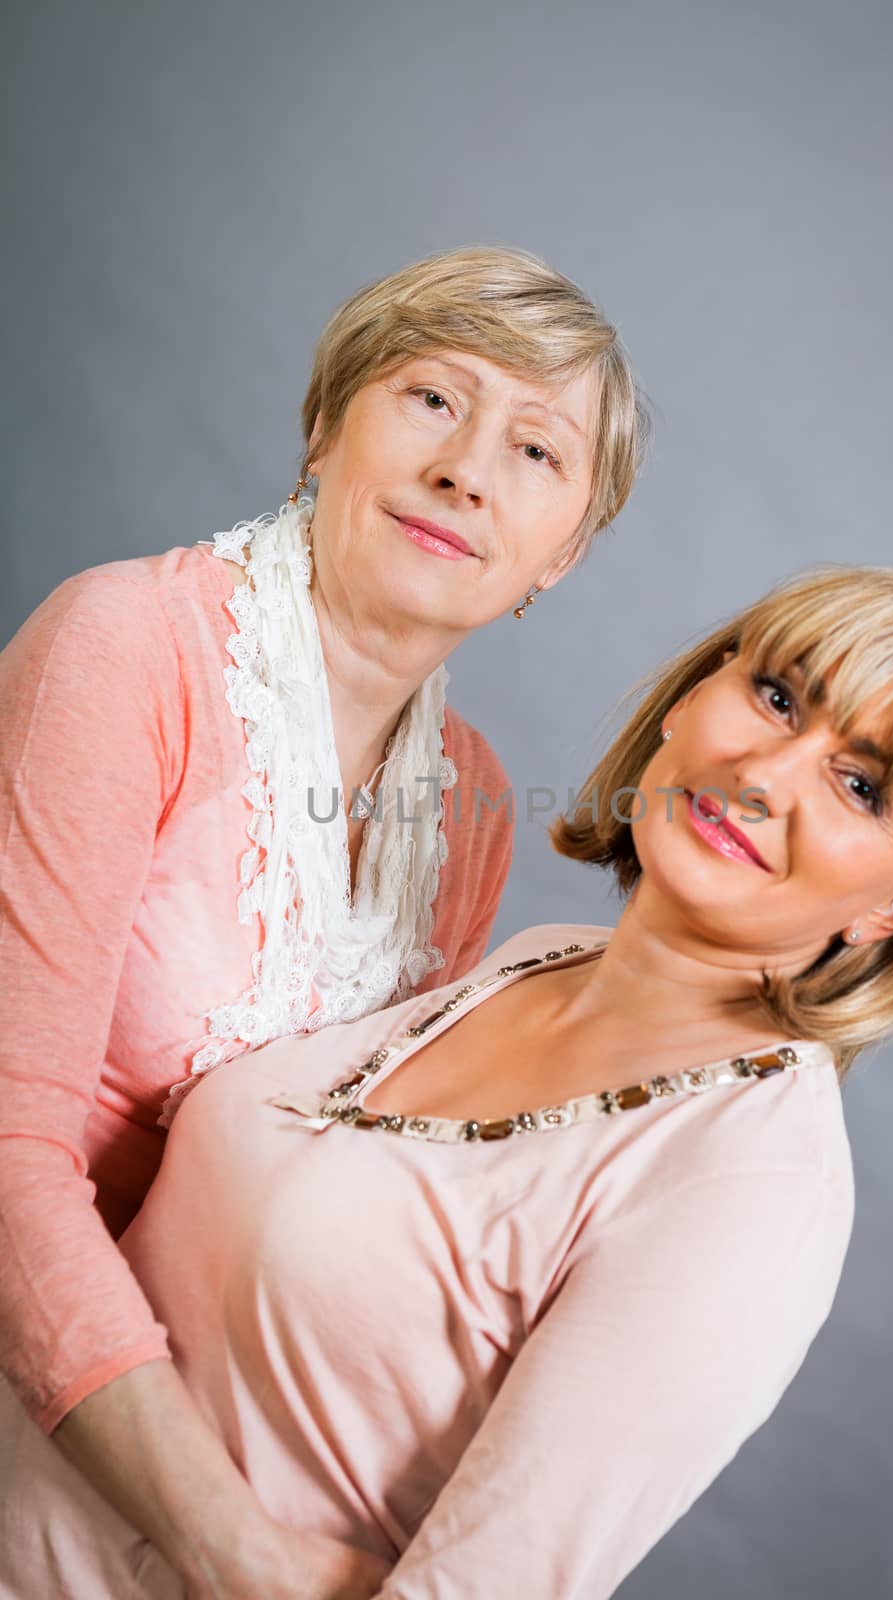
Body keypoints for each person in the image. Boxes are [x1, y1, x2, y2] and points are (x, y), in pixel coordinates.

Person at [0, 564, 893, 1600]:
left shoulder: (749, 1184)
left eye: (859, 786)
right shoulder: (538, 957)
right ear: (693, 696)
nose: (765, 773)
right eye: (774, 697)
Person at [0, 245, 647, 1595]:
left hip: (193, 1461)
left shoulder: (468, 803)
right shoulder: (125, 647)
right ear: (323, 423)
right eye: (430, 398)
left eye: (537, 450)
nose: (468, 468)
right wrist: (235, 1552)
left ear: (563, 551)